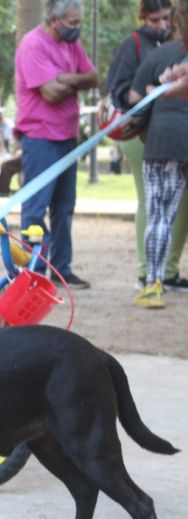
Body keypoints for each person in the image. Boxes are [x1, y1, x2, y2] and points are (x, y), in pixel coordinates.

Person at [14, 0, 98, 289]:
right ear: (53, 20)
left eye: (78, 23)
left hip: (68, 137)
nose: (77, 29)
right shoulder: (32, 45)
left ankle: (61, 270)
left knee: (64, 208)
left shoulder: (71, 45)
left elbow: (93, 77)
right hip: (40, 137)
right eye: (72, 23)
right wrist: (71, 82)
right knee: (36, 209)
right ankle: (33, 271)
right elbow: (50, 93)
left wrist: (65, 78)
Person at [105, 1, 187, 290]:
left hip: (166, 136)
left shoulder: (168, 50)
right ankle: (150, 274)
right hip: (148, 135)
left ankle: (163, 274)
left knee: (169, 210)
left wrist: (162, 89)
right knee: (155, 207)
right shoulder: (136, 45)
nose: (162, 25)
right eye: (155, 19)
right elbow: (125, 93)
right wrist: (159, 91)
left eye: (167, 18)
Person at [130, 16, 188, 307]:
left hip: (164, 143)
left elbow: (133, 95)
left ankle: (152, 282)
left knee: (160, 215)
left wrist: (155, 93)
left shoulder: (161, 54)